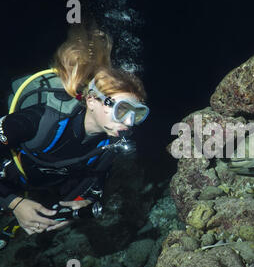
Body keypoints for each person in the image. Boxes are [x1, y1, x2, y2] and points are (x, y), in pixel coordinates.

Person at [0, 25, 149, 237]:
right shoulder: (42, 119)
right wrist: (14, 203)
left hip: (42, 188)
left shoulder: (109, 144)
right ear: (92, 100)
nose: (130, 122)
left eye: (138, 114)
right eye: (122, 110)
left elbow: (95, 183)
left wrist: (79, 207)